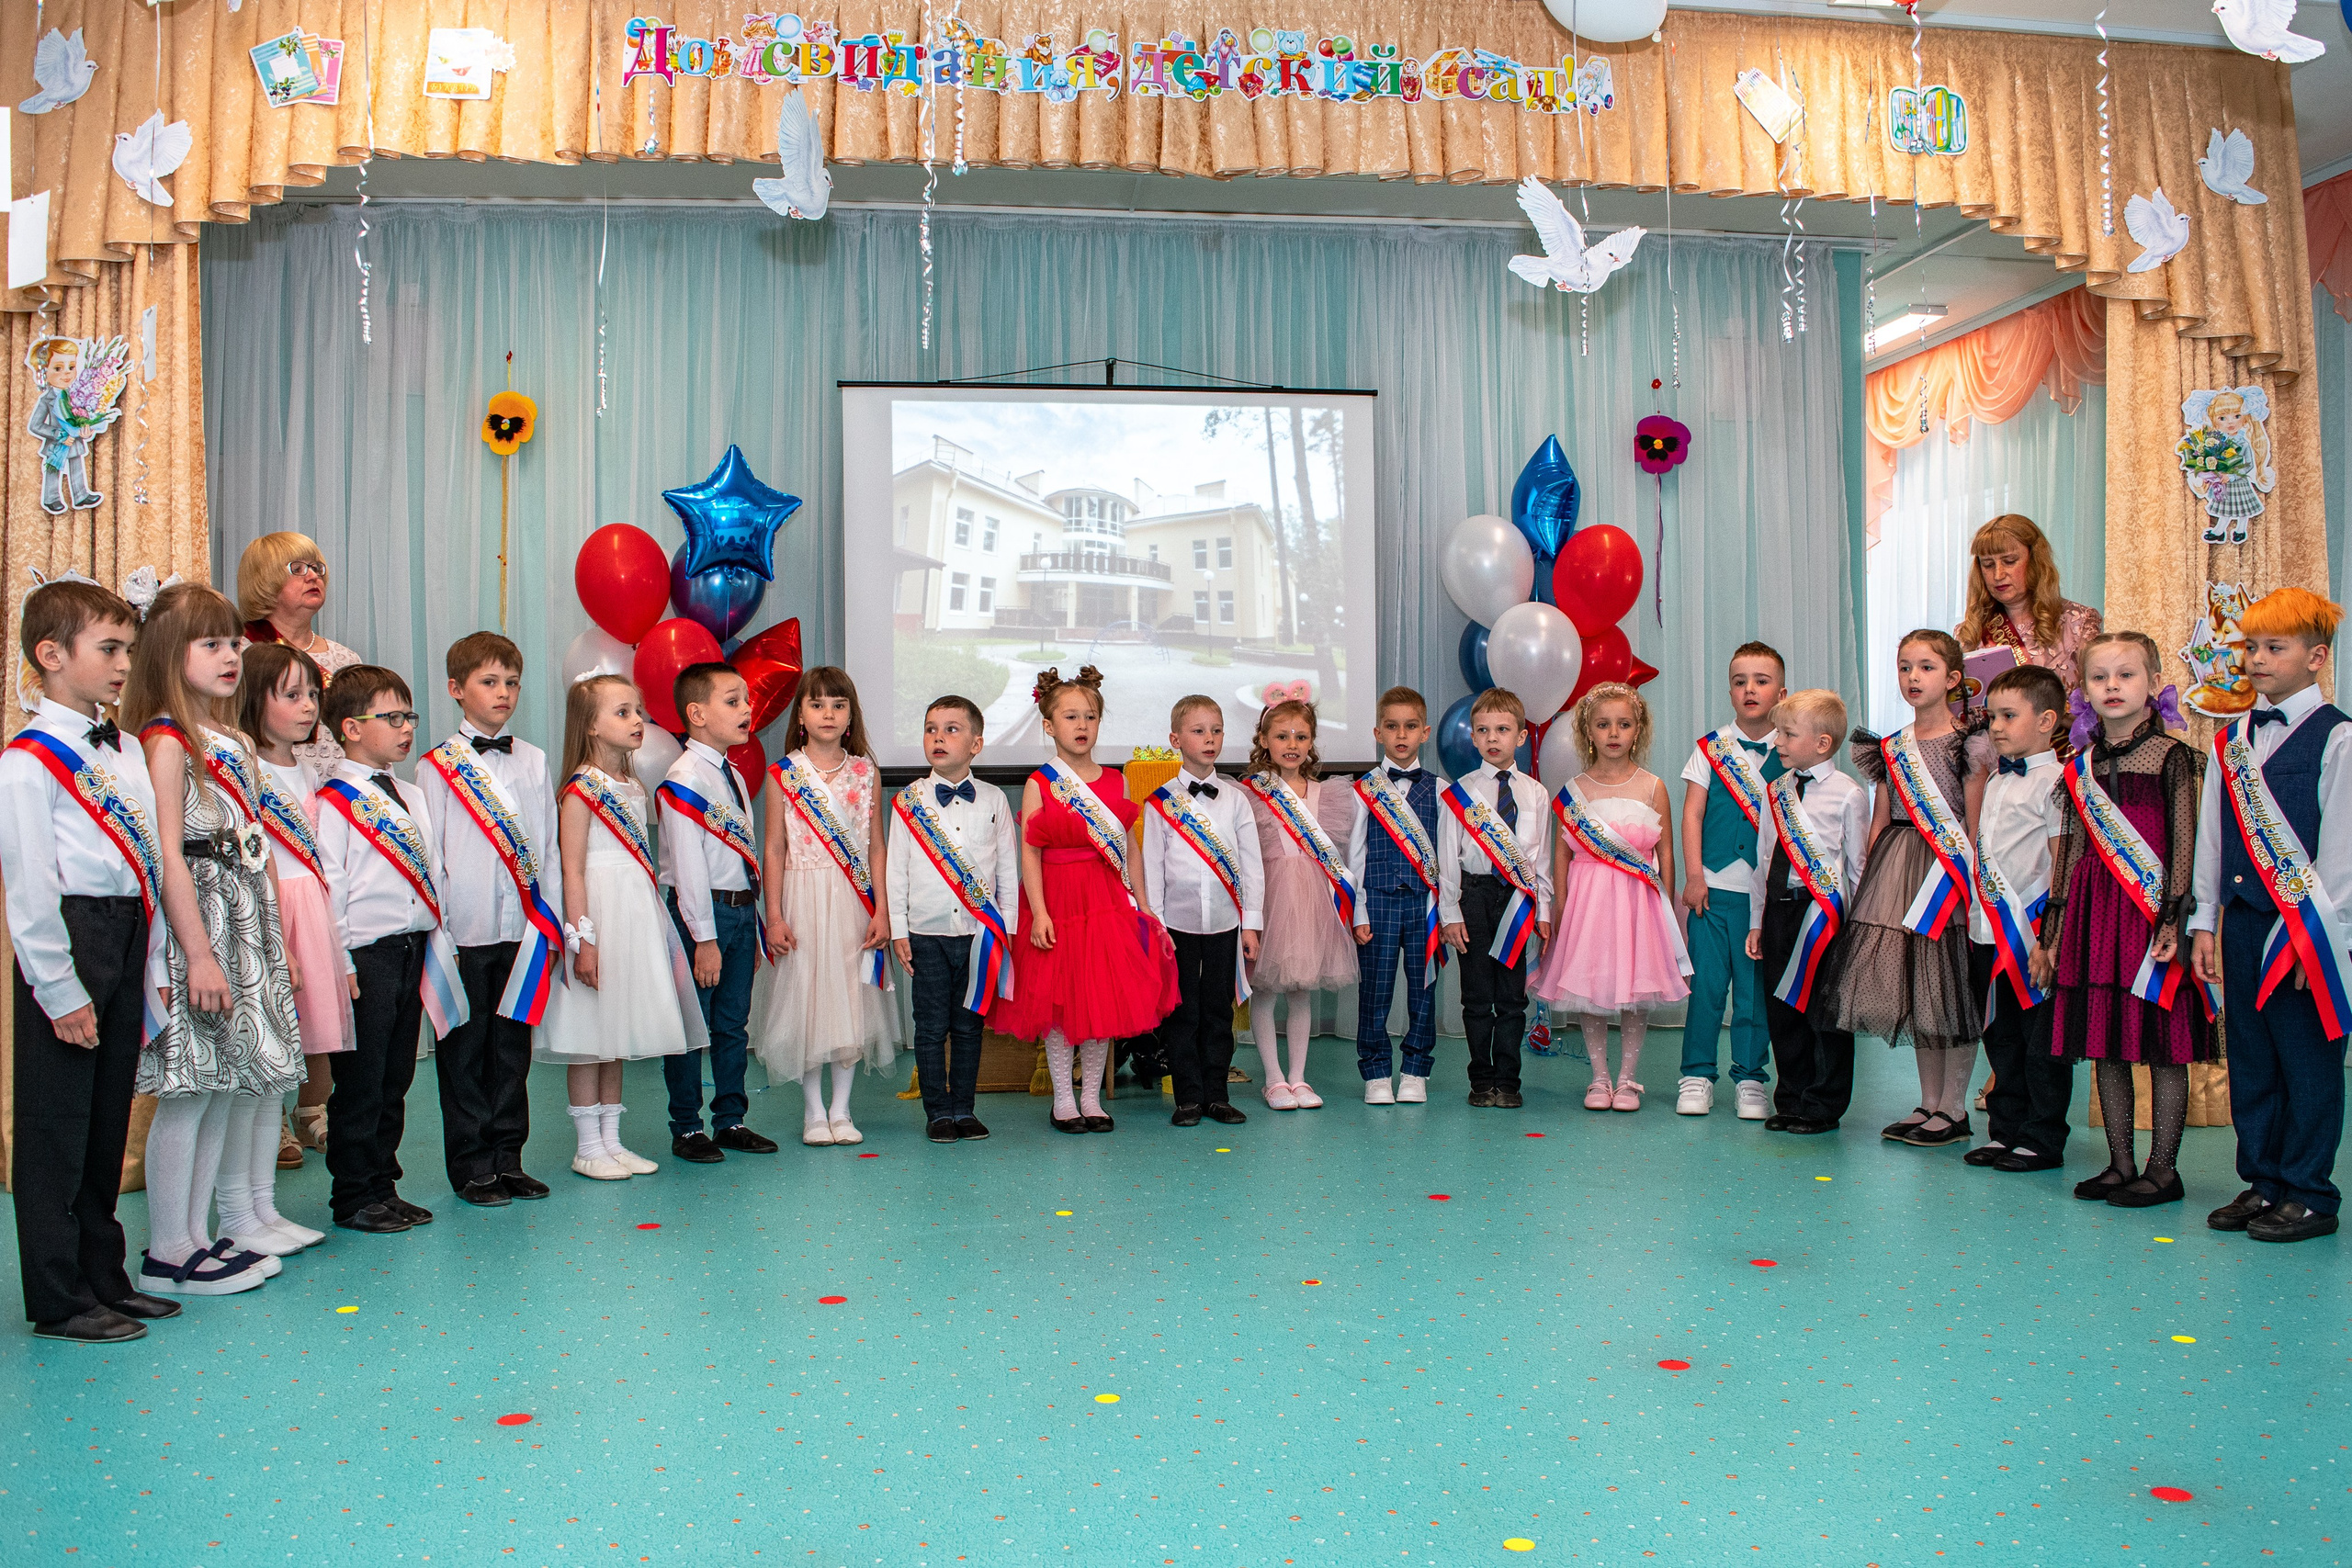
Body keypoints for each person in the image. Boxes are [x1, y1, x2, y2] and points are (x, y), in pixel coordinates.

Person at [0, 576, 179, 1340]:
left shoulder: (128, 747)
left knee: (107, 1118)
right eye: (108, 649)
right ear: (51, 654)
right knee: (57, 1123)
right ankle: (59, 1296)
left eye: (128, 650)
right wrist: (58, 986)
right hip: (70, 938)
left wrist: (155, 961)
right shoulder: (26, 760)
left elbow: (149, 865)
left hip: (127, 932)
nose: (123, 665)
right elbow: (28, 886)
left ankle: (104, 1274)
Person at [125, 584, 307, 1296]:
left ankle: (199, 1237)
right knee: (192, 1088)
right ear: (171, 652)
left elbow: (255, 841)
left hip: (244, 914)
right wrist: (197, 954)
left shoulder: (232, 740)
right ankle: (169, 1246)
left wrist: (275, 939)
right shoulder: (167, 739)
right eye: (212, 644)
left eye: (234, 642)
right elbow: (168, 855)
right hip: (199, 921)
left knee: (227, 1085)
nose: (232, 655)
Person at [2191, 588, 2349, 1243]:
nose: (2256, 659)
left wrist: (2325, 940)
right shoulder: (2230, 741)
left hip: (2305, 929)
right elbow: (2212, 837)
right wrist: (2205, 919)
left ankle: (2309, 1190)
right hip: (2244, 922)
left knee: (2307, 1063)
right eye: (2251, 647)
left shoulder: (2338, 737)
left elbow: (2342, 852)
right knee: (2253, 1058)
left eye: (2274, 647)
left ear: (2316, 657)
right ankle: (2262, 1180)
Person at [2050, 631, 2213, 1209]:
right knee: (2107, 1041)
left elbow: (2185, 844)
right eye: (2099, 677)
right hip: (2095, 914)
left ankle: (2163, 1170)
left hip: (2150, 915)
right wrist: (2055, 928)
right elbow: (2070, 850)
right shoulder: (2079, 766)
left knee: (2164, 1044)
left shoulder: (2173, 757)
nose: (2112, 686)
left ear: (2153, 684)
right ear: (2083, 690)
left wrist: (2173, 920)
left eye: (2126, 675)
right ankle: (2120, 1164)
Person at [991, 666, 1181, 1130]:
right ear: (1049, 725)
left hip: (1105, 903)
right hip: (1057, 902)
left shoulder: (1117, 781)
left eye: (1090, 717)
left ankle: (1092, 1099)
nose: (1082, 725)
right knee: (1060, 1006)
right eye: (1071, 716)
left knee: (1102, 1005)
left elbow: (1130, 847)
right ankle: (1063, 1100)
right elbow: (1030, 853)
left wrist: (1144, 904)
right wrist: (1039, 912)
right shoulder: (1040, 783)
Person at [315, 666, 465, 1236]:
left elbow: (431, 871)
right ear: (351, 728)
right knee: (362, 1080)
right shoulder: (334, 801)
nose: (407, 729)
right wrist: (342, 961)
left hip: (412, 948)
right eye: (393, 718)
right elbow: (332, 885)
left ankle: (384, 1185)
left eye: (410, 717)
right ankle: (353, 1194)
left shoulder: (412, 794)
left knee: (395, 1076)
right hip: (366, 956)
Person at [537, 674, 703, 1179]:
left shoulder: (632, 786)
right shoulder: (580, 790)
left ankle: (612, 1140)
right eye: (623, 712)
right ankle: (587, 1146)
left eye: (638, 711)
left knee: (617, 1031)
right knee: (590, 1034)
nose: (637, 721)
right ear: (590, 726)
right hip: (598, 916)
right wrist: (582, 941)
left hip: (633, 914)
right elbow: (572, 870)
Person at [1823, 629, 1985, 1147]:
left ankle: (1955, 1108)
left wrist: (1970, 882)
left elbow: (1974, 822)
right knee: (1919, 988)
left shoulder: (1970, 742)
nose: (1913, 677)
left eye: (1926, 667)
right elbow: (1880, 819)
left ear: (1953, 678)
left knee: (1949, 985)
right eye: (1905, 667)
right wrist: (1871, 876)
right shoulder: (1890, 747)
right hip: (1897, 866)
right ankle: (1928, 1101)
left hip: (1947, 870)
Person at [417, 632, 562, 1208]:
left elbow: (547, 848)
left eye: (512, 683)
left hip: (523, 932)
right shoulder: (436, 767)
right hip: (465, 932)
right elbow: (432, 855)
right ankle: (471, 1165)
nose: (503, 693)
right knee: (464, 1052)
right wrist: (441, 934)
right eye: (489, 682)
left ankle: (508, 1158)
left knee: (510, 1052)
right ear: (456, 689)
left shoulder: (534, 760)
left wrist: (551, 926)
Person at [1532, 683, 1690, 1113]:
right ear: (1588, 731)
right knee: (1592, 985)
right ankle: (1599, 1077)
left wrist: (1666, 908)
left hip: (1638, 903)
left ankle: (1627, 1079)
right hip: (1588, 902)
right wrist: (1561, 905)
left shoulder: (1653, 786)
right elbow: (1561, 855)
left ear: (1638, 730)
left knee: (1635, 986)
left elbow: (1666, 855)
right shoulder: (1573, 789)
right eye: (1603, 725)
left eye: (1624, 724)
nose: (1614, 733)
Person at [761, 666, 899, 1147]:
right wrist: (774, 914)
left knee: (850, 1002)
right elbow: (773, 848)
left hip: (852, 900)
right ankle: (813, 1111)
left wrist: (882, 910)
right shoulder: (783, 774)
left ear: (850, 716)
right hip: (801, 895)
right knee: (808, 1001)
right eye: (817, 704)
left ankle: (841, 1109)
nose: (828, 714)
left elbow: (876, 846)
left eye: (838, 705)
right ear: (800, 715)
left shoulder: (866, 772)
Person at [234, 642, 345, 1248]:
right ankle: (257, 1167)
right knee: (270, 1037)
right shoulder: (244, 766)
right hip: (272, 907)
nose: (308, 707)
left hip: (313, 905)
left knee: (311, 1030)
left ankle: (308, 1115)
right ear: (255, 698)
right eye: (292, 695)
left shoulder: (309, 770)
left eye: (312, 695)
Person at [656, 662, 779, 1164]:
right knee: (692, 1025)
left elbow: (740, 859)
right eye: (733, 701)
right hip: (701, 915)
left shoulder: (730, 773)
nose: (747, 709)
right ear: (697, 713)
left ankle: (731, 1119)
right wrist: (704, 939)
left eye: (746, 700)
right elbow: (688, 869)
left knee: (732, 1024)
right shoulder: (684, 777)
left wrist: (753, 925)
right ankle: (687, 1127)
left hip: (739, 913)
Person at [887, 695, 1019, 1144]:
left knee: (968, 1026)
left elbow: (1007, 869)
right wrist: (899, 930)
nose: (938, 737)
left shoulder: (995, 799)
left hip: (979, 935)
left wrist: (1008, 929)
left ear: (976, 744)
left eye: (951, 729)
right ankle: (938, 1113)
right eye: (931, 729)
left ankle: (964, 1108)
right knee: (929, 1027)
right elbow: (896, 871)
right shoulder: (908, 801)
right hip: (925, 934)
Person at [1746, 689, 1871, 1134]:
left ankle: (1823, 1104)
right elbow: (1763, 860)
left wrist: (1855, 930)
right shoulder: (1776, 792)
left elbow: (1857, 868)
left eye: (1787, 734)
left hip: (1824, 918)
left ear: (1822, 743)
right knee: (1782, 1009)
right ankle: (1792, 1099)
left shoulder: (1848, 794)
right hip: (1779, 913)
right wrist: (1757, 921)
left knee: (1824, 1014)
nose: (1777, 741)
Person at [1964, 664, 2071, 1174]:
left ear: (2047, 720)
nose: (1997, 727)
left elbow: (2060, 862)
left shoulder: (2058, 782)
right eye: (1992, 717)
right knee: (2000, 1036)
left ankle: (2042, 1137)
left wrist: (2050, 939)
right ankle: (2005, 1131)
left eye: (2009, 716)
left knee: (2039, 1042)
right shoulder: (1995, 780)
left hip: (2030, 933)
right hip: (1988, 928)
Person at [1676, 642, 1788, 1118]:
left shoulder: (1793, 747)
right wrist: (1693, 875)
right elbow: (1692, 814)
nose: (1750, 689)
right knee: (1706, 988)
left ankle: (1751, 1077)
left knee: (1754, 994)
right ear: (1729, 691)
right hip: (1713, 890)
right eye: (1740, 681)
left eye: (1761, 681)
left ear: (1781, 693)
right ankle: (1696, 1074)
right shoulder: (1710, 748)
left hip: (1764, 899)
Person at [1141, 694, 1265, 1127]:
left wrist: (1251, 925)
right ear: (1176, 739)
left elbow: (1252, 867)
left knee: (1218, 1012)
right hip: (1176, 926)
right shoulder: (1159, 803)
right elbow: (1153, 869)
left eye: (1216, 730)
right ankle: (1188, 1098)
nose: (1209, 738)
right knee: (1182, 1013)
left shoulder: (1236, 800)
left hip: (1226, 925)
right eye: (1198, 731)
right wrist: (1157, 927)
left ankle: (1217, 1095)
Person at [1239, 698, 1360, 1111]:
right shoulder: (1251, 793)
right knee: (1265, 990)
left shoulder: (1329, 794)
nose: (1292, 744)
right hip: (1270, 897)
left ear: (1312, 741)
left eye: (1301, 736)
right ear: (1263, 740)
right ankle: (1273, 1079)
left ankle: (1298, 1077)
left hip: (1311, 900)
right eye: (1282, 736)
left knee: (1301, 990)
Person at [1440, 688, 1553, 1110]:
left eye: (1503, 729)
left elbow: (1541, 859)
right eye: (1483, 730)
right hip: (1473, 896)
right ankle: (1480, 1080)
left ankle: (1508, 1081)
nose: (1493, 738)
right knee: (1476, 996)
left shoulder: (1536, 794)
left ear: (1520, 737)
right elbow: (1447, 859)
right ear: (1473, 738)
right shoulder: (1460, 793)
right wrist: (1450, 913)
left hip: (1517, 900)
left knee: (1511, 997)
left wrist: (1543, 909)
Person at [1347, 687, 1460, 1105]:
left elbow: (1447, 856)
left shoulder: (1441, 789)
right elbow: (1355, 853)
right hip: (1376, 901)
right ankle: (1376, 1072)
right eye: (1392, 727)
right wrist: (1358, 910)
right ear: (1378, 733)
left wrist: (1447, 911)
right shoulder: (1364, 788)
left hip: (1423, 906)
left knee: (1423, 991)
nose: (1401, 734)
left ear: (1424, 733)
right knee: (1374, 992)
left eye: (1410, 726)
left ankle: (1415, 1070)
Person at [1954, 514, 2104, 693]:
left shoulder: (2078, 622)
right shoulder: (1969, 632)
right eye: (1988, 565)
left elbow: (2096, 696)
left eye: (2009, 561)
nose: (1998, 575)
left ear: (2035, 562)